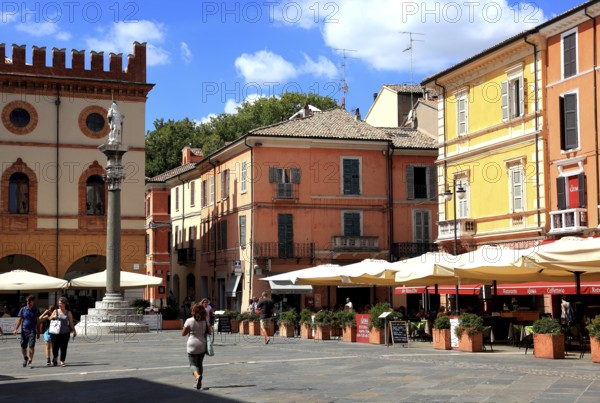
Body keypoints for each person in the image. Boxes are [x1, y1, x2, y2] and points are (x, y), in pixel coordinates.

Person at [182, 302, 212, 390]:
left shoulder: (189, 320)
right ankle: (198, 381)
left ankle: (197, 376)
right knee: (200, 364)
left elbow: (183, 333)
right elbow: (209, 332)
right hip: (202, 344)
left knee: (192, 364)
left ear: (193, 311)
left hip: (192, 344)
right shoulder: (205, 321)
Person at [48, 297, 77, 367]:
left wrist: (74, 331)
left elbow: (71, 323)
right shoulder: (56, 311)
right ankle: (55, 357)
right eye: (58, 303)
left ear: (64, 304)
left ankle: (62, 361)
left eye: (60, 303)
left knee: (64, 348)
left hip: (65, 333)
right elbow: (49, 318)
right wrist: (53, 317)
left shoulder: (68, 312)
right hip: (55, 333)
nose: (59, 304)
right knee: (55, 347)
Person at [13, 295, 39, 368]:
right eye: (27, 301)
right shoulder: (23, 309)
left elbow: (37, 321)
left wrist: (39, 332)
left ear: (33, 301)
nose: (27, 302)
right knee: (23, 346)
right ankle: (25, 358)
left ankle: (30, 361)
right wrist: (16, 329)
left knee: (31, 346)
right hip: (24, 330)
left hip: (32, 331)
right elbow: (19, 320)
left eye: (29, 301)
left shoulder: (36, 310)